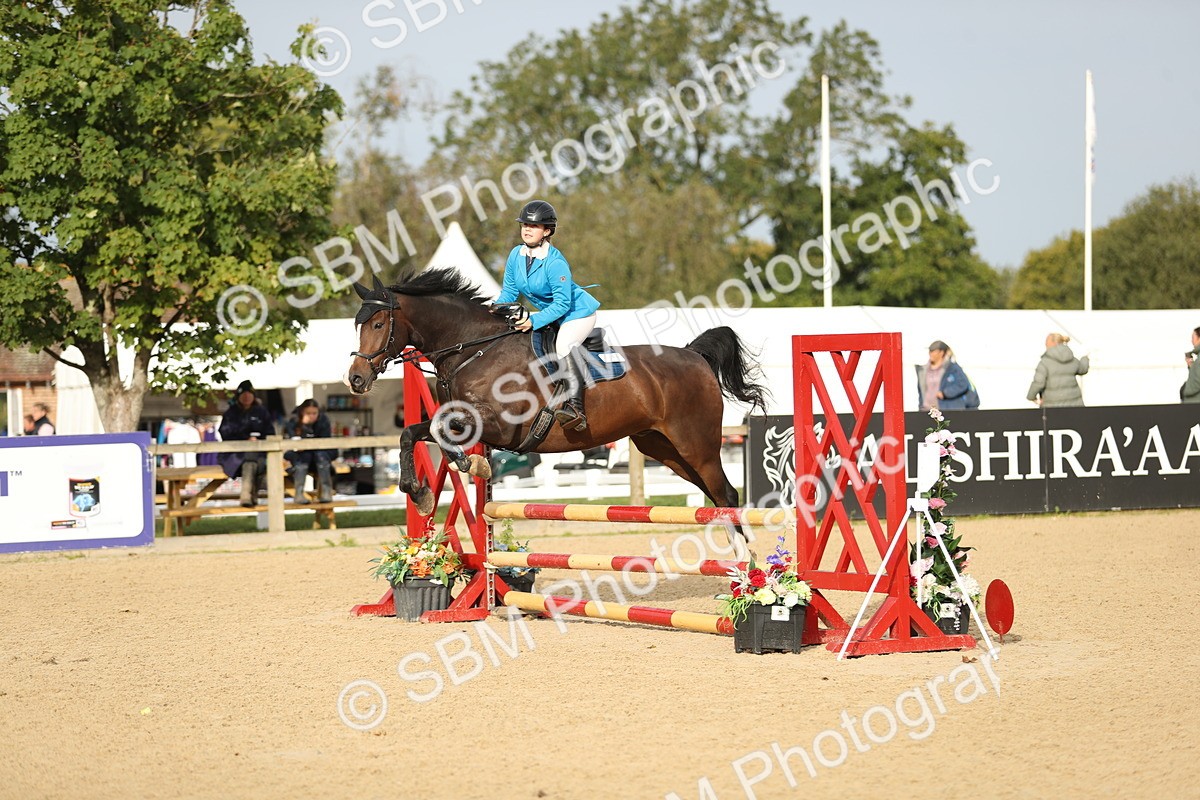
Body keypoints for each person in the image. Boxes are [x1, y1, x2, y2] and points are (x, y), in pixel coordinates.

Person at [493, 200, 600, 431]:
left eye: (534, 226)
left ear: (547, 231)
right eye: (525, 224)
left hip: (577, 314)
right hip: (552, 315)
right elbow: (509, 291)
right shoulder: (516, 255)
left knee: (563, 346)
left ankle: (575, 409)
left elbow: (562, 304)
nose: (527, 229)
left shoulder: (555, 262)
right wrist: (493, 309)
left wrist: (532, 321)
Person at [218, 380, 275, 506]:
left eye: (249, 394)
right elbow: (225, 433)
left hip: (259, 453)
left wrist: (259, 440)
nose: (247, 397)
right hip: (235, 455)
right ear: (238, 396)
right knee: (249, 461)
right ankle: (248, 495)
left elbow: (270, 432)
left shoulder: (262, 412)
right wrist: (245, 439)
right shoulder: (230, 414)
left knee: (255, 462)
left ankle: (248, 495)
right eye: (244, 394)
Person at [284, 399, 336, 503]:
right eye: (308, 413)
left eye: (314, 413)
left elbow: (325, 441)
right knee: (304, 457)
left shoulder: (323, 420)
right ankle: (299, 493)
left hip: (320, 455)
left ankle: (326, 492)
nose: (311, 416)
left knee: (321, 456)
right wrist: (304, 427)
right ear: (302, 412)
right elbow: (293, 441)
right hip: (300, 456)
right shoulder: (294, 421)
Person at [1027, 333, 1090, 407]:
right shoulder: (1072, 359)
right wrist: (1085, 358)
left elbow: (1038, 382)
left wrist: (1031, 397)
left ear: (1052, 343)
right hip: (1074, 405)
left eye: (1046, 342)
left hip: (1052, 407)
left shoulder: (1045, 362)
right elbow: (1083, 369)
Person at [915, 340, 978, 411]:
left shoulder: (952, 368)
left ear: (941, 353)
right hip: (927, 410)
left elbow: (963, 384)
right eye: (930, 351)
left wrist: (945, 393)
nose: (930, 353)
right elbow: (921, 391)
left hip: (946, 410)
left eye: (933, 351)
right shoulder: (923, 370)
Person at [1181, 326, 1200, 403]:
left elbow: (1197, 381)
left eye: (1193, 338)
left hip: (1194, 403)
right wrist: (1191, 366)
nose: (1192, 341)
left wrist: (1185, 391)